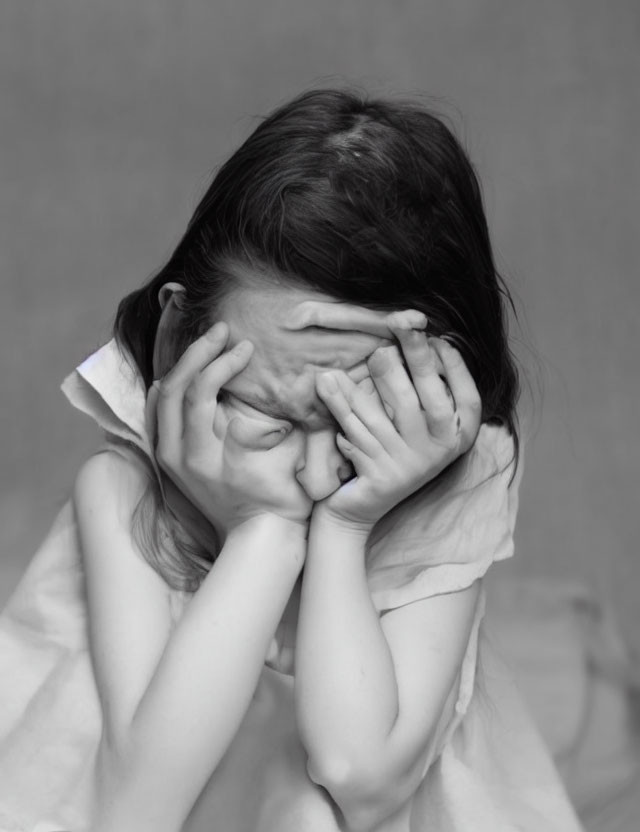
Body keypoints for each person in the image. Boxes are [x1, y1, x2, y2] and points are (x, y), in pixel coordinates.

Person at [0, 88, 584, 832]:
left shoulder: (451, 480)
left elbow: (360, 781)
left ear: (439, 386)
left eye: (354, 427)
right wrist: (262, 533)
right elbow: (137, 808)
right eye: (270, 416)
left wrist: (345, 529)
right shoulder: (121, 490)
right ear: (181, 336)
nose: (311, 476)